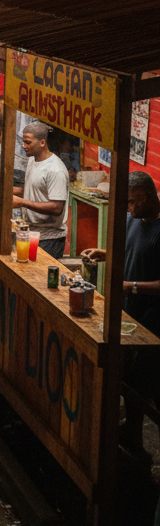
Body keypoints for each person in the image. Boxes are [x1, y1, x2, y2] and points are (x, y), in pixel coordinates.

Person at [85, 171, 160, 456]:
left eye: (131, 202)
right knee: (126, 377)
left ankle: (141, 444)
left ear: (147, 197)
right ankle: (132, 435)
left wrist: (132, 286)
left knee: (144, 383)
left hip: (153, 320)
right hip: (128, 315)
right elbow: (132, 251)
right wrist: (106, 253)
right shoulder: (133, 219)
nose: (128, 208)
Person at [0, 119, 70, 258]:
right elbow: (33, 190)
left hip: (49, 239)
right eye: (23, 142)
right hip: (31, 233)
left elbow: (57, 208)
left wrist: (21, 202)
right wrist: (5, 189)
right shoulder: (33, 159)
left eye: (28, 142)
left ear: (42, 143)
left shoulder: (55, 170)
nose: (24, 146)